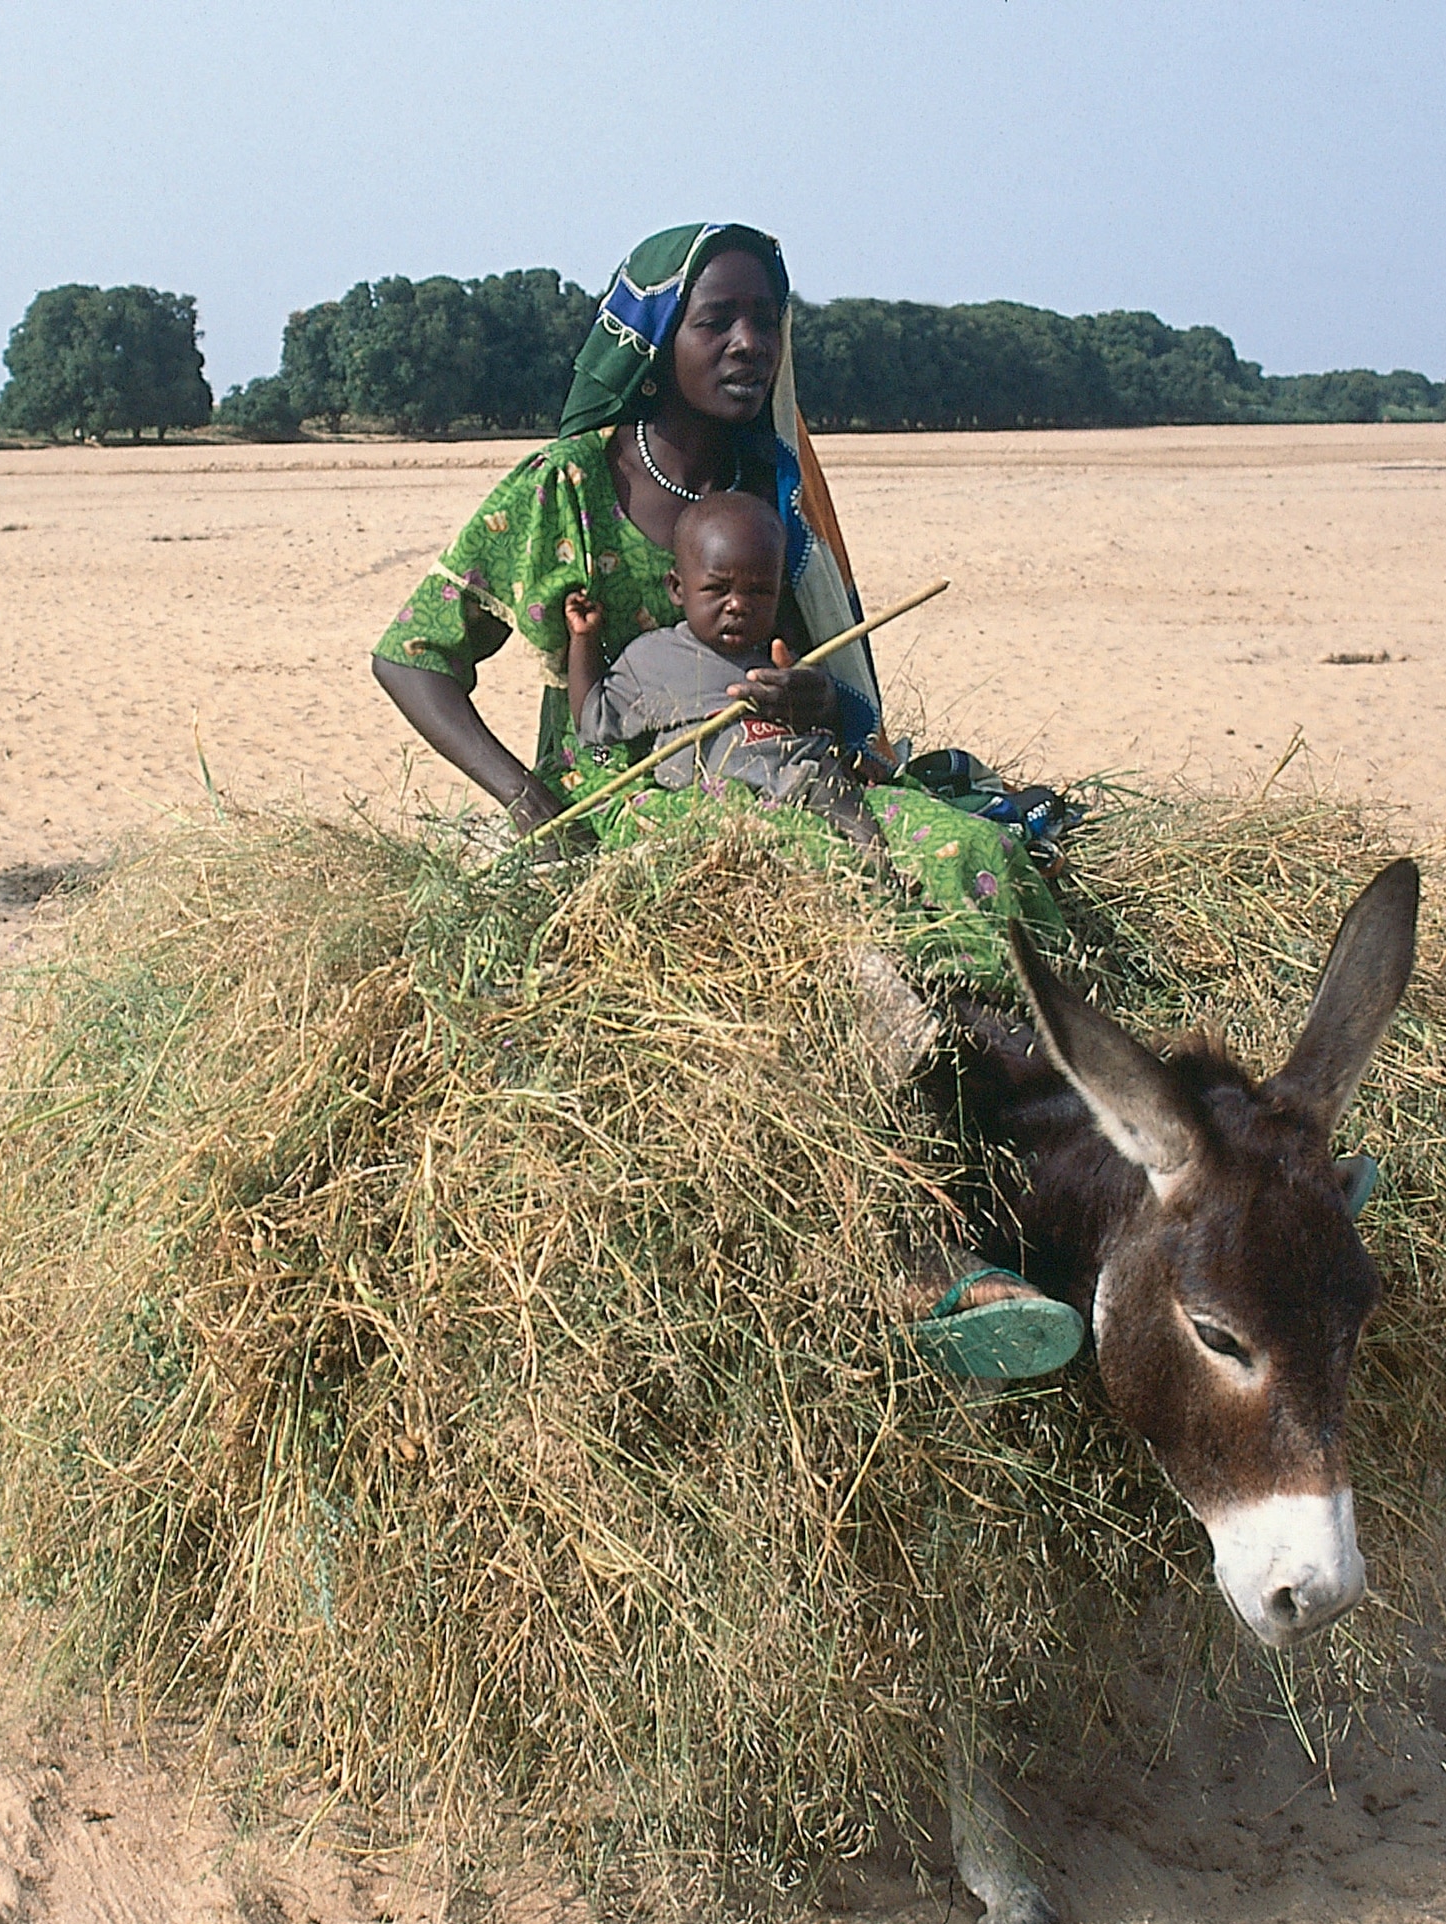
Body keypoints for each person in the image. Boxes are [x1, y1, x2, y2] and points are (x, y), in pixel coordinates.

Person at [371, 222, 1084, 1379]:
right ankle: (913, 1249)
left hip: (785, 776)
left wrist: (812, 697)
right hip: (637, 804)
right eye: (718, 320)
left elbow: (828, 676)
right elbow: (410, 654)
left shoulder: (772, 486)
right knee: (805, 932)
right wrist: (528, 801)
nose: (750, 341)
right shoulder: (563, 488)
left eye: (768, 319)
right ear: (655, 340)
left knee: (965, 853)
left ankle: (1078, 1140)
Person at [568, 491, 884, 856]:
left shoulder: (781, 654)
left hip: (802, 784)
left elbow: (827, 728)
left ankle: (877, 862)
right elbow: (592, 721)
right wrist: (583, 640)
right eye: (717, 589)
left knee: (837, 792)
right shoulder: (651, 659)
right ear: (677, 589)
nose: (738, 605)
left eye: (759, 592)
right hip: (713, 802)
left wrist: (814, 699)